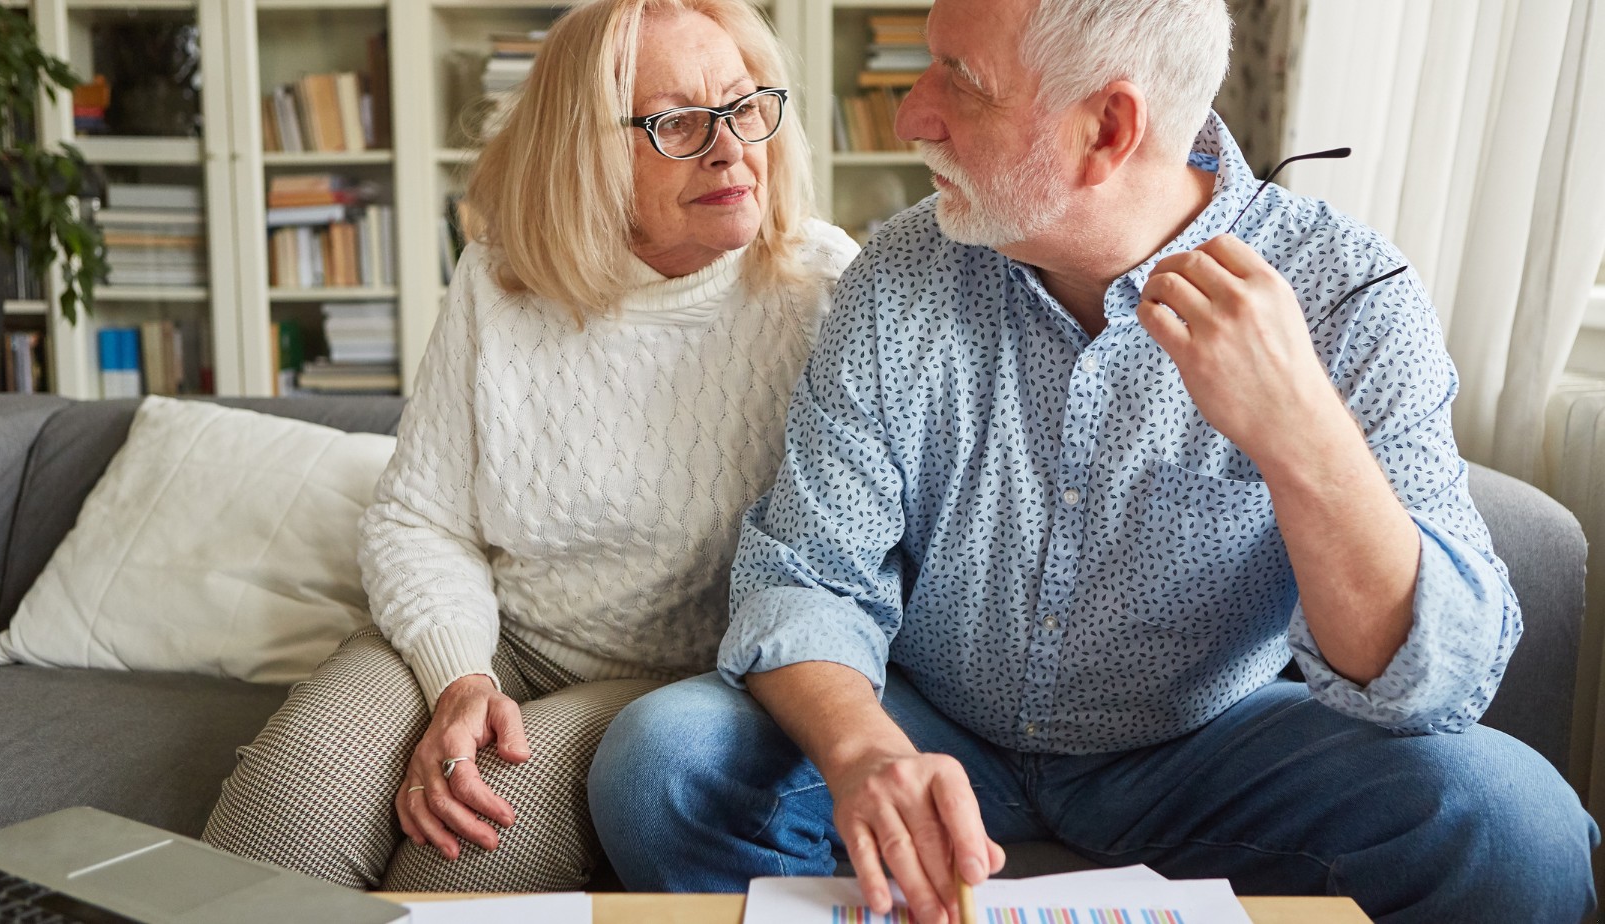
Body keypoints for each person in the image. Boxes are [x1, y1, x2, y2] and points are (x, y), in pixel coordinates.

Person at [587, 0, 1599, 921]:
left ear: (1106, 129)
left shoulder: (1347, 293)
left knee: (1516, 830)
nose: (911, 117)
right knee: (663, 765)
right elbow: (805, 576)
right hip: (935, 723)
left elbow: (1437, 680)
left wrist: (1301, 437)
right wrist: (864, 755)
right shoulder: (898, 275)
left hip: (1209, 746)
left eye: (960, 83)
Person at [200, 0, 857, 893]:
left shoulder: (823, 289)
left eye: (746, 107)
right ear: (583, 147)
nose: (731, 148)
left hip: (674, 685)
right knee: (288, 810)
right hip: (500, 636)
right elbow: (419, 518)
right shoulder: (501, 278)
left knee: (460, 850)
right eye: (675, 124)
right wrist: (460, 679)